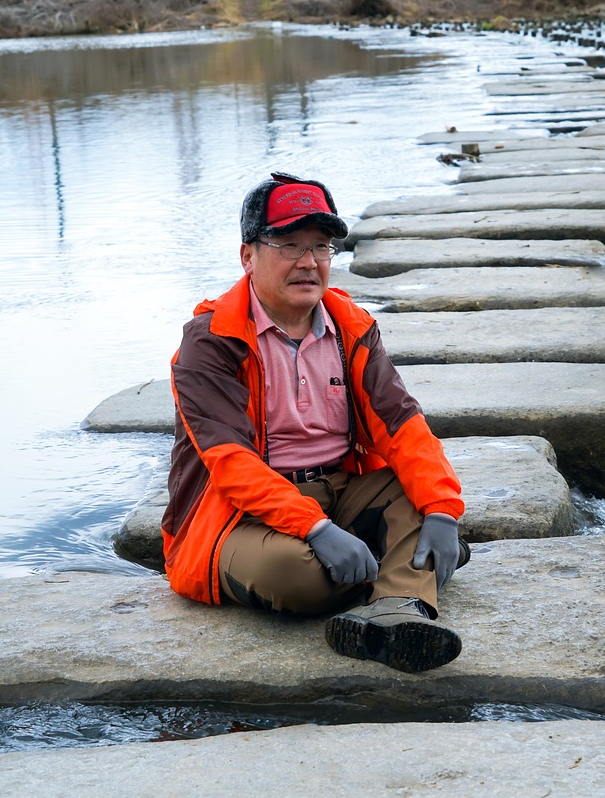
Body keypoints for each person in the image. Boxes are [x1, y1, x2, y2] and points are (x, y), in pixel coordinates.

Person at [162, 171, 467, 673]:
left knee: (420, 497)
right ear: (247, 256)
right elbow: (231, 464)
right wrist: (316, 529)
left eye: (321, 247)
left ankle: (396, 611)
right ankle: (406, 566)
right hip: (240, 515)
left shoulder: (352, 327)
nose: (308, 262)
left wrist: (441, 510)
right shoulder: (211, 341)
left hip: (343, 490)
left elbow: (403, 427)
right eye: (288, 244)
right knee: (296, 575)